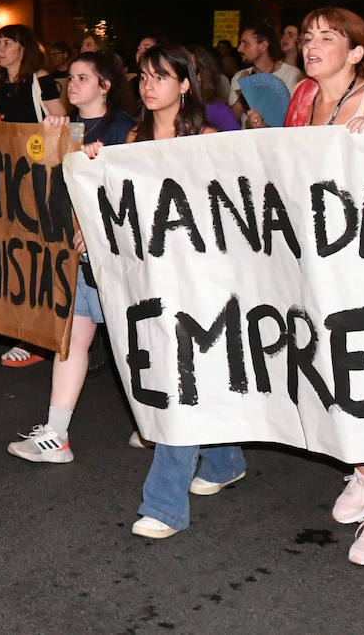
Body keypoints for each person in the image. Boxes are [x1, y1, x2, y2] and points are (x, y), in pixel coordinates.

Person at [284, 8, 364, 567]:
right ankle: (360, 470)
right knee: (338, 373)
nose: (312, 46)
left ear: (357, 52)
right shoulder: (307, 101)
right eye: (308, 37)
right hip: (323, 264)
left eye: (328, 38)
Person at [108, 43, 240, 539]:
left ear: (185, 84)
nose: (148, 85)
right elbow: (117, 198)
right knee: (177, 370)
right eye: (143, 76)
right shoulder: (133, 136)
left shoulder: (208, 137)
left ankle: (164, 505)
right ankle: (225, 461)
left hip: (201, 278)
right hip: (152, 275)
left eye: (160, 76)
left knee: (180, 377)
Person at [7, 49, 139, 463]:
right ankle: (56, 434)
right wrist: (50, 140)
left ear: (106, 85)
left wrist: (97, 228)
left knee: (131, 344)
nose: (73, 84)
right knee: (72, 339)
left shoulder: (125, 128)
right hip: (77, 257)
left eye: (83, 78)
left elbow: (127, 190)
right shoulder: (65, 127)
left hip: (115, 256)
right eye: (72, 78)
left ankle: (160, 424)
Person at [0, 23, 67, 367]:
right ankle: (26, 326)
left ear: (23, 48)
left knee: (39, 252)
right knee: (18, 250)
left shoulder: (41, 80)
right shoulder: (1, 85)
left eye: (7, 42)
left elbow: (61, 120)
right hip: (11, 175)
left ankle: (39, 335)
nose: (1, 48)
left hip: (39, 176)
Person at [232, 21, 303, 128]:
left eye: (245, 44)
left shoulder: (291, 74)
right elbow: (231, 119)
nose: (240, 49)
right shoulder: (240, 76)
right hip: (249, 142)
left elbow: (293, 117)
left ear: (263, 46)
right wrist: (244, 93)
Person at [190, 45, 240, 132]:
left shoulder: (218, 110)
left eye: (191, 72)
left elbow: (235, 143)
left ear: (202, 74)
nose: (185, 78)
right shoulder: (171, 108)